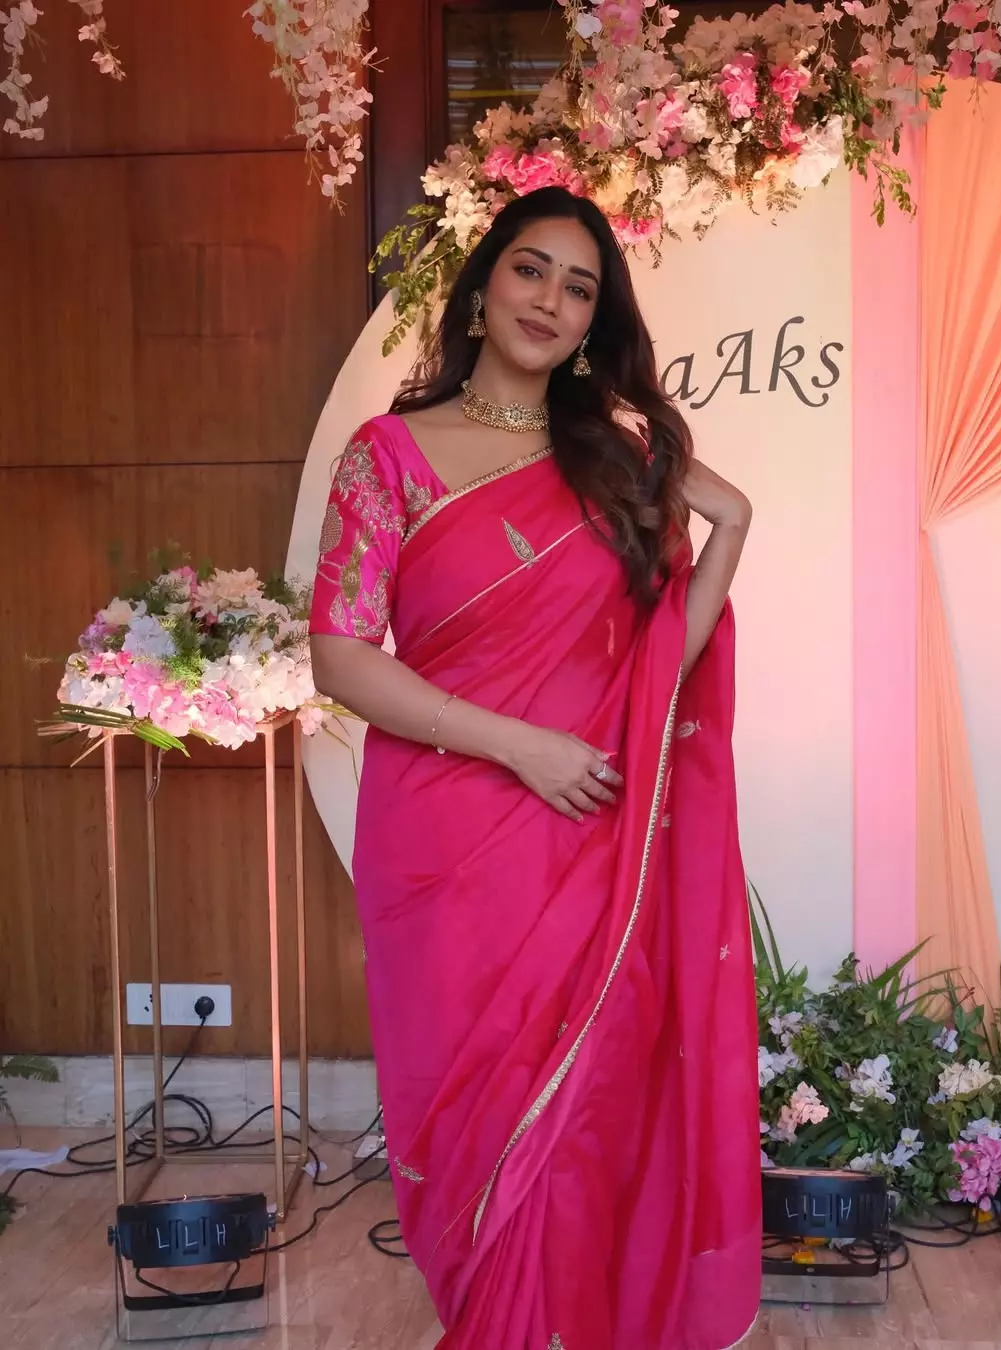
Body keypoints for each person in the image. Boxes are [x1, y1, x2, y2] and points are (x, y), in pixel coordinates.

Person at [309, 185, 761, 1350]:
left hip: (586, 832)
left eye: (579, 286)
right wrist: (521, 747)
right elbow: (341, 657)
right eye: (530, 269)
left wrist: (731, 529)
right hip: (449, 836)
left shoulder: (609, 465)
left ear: (596, 323)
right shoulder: (388, 455)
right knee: (471, 1112)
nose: (550, 299)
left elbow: (660, 669)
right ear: (481, 286)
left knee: (583, 1112)